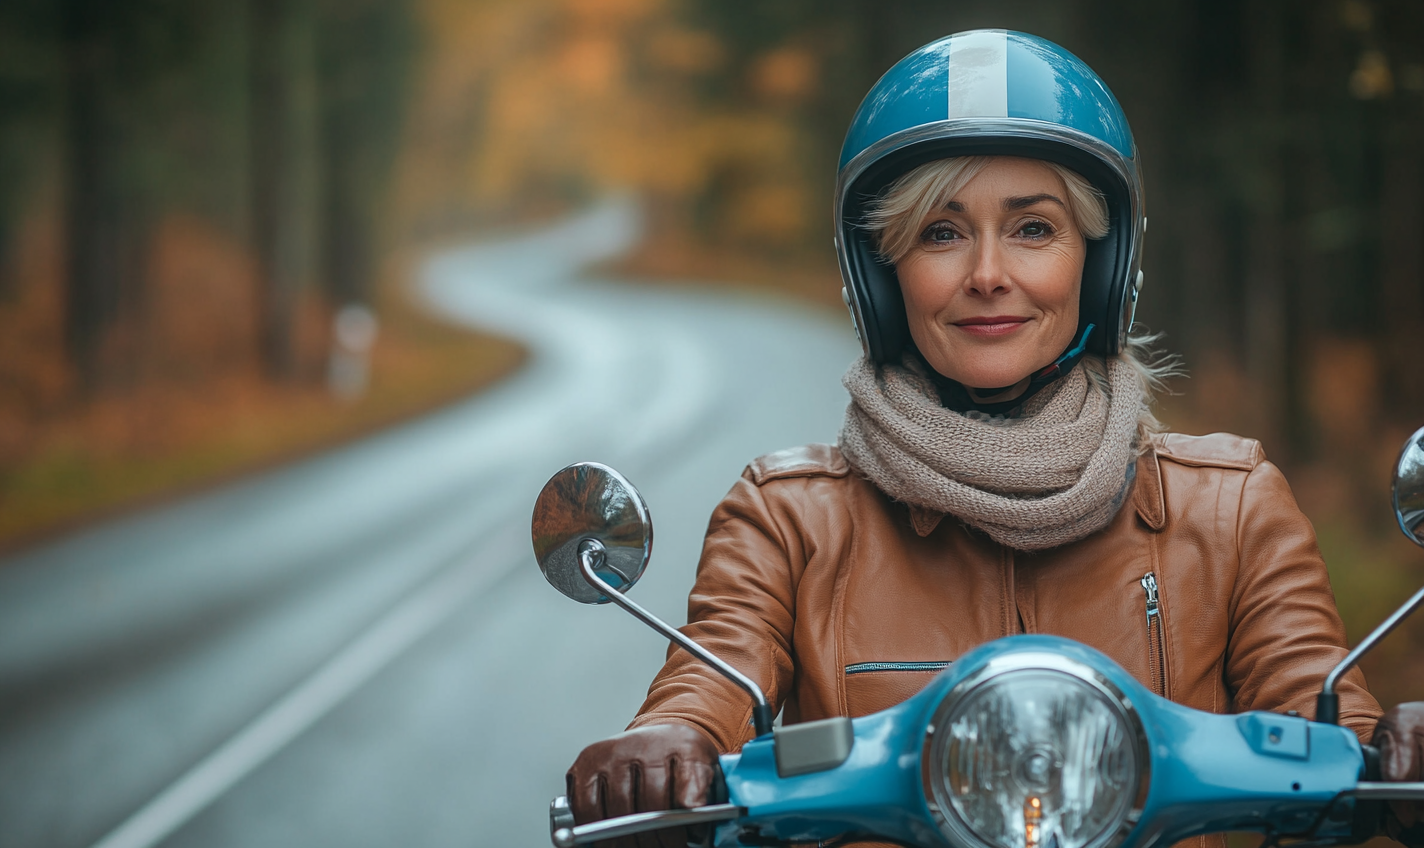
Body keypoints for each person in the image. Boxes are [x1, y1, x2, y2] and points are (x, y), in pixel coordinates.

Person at [566, 30, 1424, 848]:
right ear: (879, 272)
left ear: (1103, 260)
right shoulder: (789, 520)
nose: (986, 274)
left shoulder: (1229, 506)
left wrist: (1391, 744)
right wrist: (668, 744)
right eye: (940, 232)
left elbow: (1319, 710)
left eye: (1033, 227)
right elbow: (709, 682)